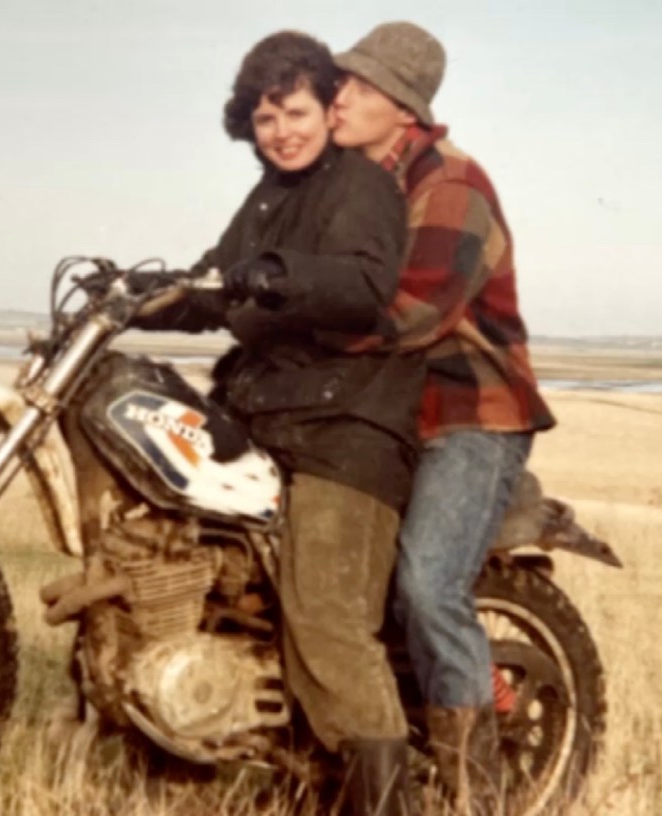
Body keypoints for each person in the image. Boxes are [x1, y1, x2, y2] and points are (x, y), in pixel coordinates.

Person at [133, 30, 423, 815]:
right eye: (265, 119)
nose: (282, 131)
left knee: (325, 619)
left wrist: (277, 273)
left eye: (295, 111)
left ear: (329, 111)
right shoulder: (268, 196)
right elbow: (217, 284)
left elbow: (363, 283)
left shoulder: (358, 184)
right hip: (277, 418)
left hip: (347, 431)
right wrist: (144, 291)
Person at [328, 20, 557, 812]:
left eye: (354, 86)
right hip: (389, 414)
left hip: (471, 414)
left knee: (428, 586)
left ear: (399, 103)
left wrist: (299, 329)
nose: (337, 98)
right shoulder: (358, 184)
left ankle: (475, 793)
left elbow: (413, 313)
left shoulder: (450, 184)